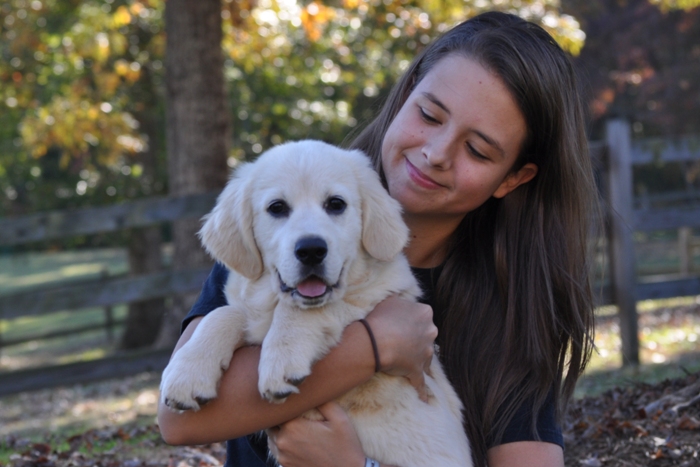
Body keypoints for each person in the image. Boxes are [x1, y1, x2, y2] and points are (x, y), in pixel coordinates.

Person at [157, 11, 599, 467]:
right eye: (429, 114)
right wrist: (375, 344)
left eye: (477, 150)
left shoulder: (513, 302)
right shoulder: (282, 222)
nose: (435, 154)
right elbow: (180, 419)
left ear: (513, 178)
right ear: (406, 95)